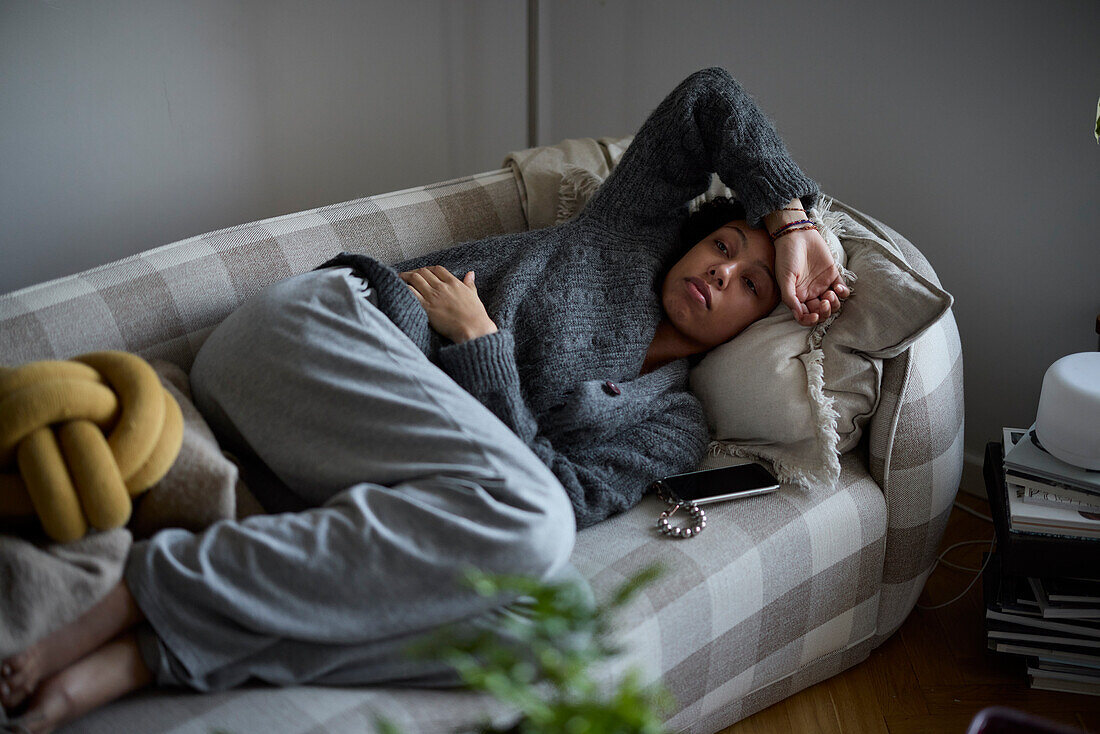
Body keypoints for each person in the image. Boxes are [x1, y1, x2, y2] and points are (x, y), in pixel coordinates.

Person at [0, 67, 847, 732]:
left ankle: (163, 653)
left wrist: (484, 352)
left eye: (750, 286)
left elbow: (559, 501)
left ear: (751, 327)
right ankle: (152, 588)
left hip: (326, 476)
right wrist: (792, 227)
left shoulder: (673, 424)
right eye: (723, 246)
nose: (720, 273)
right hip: (322, 336)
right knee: (531, 525)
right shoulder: (620, 236)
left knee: (550, 634)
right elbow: (710, 99)